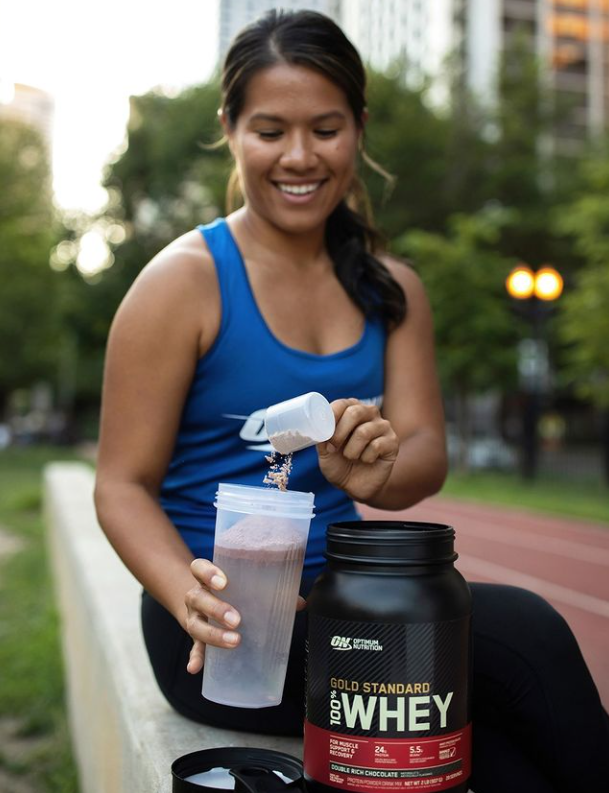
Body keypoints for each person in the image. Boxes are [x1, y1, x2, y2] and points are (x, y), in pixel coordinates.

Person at [94, 10, 609, 793]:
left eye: (325, 128)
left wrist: (375, 472)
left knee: (511, 760)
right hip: (222, 634)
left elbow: (425, 452)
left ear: (359, 129)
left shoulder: (391, 285)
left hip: (355, 600)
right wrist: (186, 592)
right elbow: (120, 484)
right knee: (524, 632)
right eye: (270, 130)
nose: (299, 156)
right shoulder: (182, 281)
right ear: (229, 128)